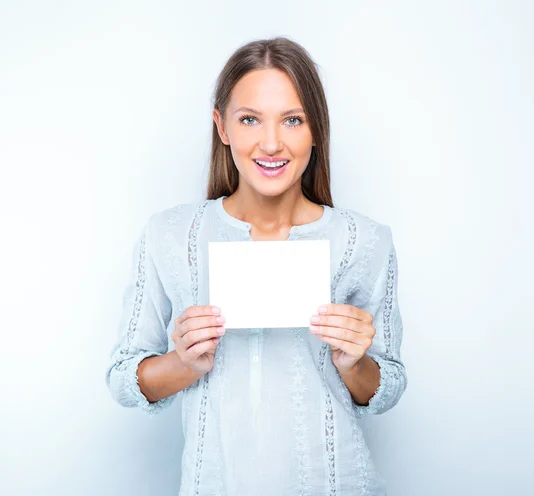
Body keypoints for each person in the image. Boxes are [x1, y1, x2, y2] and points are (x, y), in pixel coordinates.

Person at [105, 36, 407, 496]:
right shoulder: (168, 235)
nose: (271, 142)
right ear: (222, 126)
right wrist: (184, 363)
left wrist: (353, 363)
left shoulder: (365, 241)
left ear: (315, 130)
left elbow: (386, 387)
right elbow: (124, 379)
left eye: (292, 119)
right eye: (250, 119)